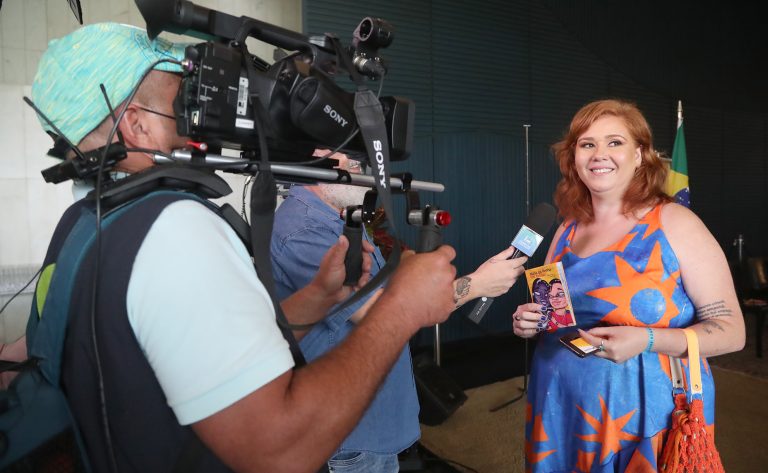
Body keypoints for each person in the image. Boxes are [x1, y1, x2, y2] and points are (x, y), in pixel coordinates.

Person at [29, 22, 459, 472]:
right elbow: (281, 450)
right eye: (182, 92)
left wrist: (315, 300)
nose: (199, 103)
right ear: (136, 125)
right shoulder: (174, 228)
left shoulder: (81, 225)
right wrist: (403, 308)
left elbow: (191, 359)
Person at [511, 99, 745, 472]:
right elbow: (555, 317)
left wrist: (648, 339)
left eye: (615, 142)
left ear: (640, 155)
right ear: (573, 158)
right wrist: (530, 321)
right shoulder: (566, 227)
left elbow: (732, 333)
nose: (599, 154)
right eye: (587, 144)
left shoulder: (675, 222)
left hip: (644, 415)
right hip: (559, 403)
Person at [271, 150, 529, 471]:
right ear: (307, 157)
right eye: (341, 153)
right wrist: (476, 285)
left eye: (357, 155)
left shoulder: (338, 215)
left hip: (374, 414)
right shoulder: (304, 230)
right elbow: (381, 312)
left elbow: (381, 291)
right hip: (349, 437)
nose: (357, 164)